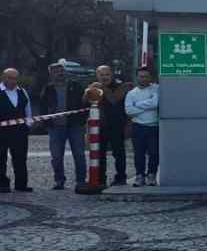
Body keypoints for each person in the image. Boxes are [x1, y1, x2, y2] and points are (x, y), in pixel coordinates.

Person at [40, 59, 88, 190]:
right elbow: (43, 107)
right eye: (56, 71)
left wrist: (82, 121)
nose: (59, 73)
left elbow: (85, 103)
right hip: (55, 128)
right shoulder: (48, 89)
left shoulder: (76, 86)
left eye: (61, 70)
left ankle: (81, 180)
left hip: (75, 126)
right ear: (51, 73)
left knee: (79, 154)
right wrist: (47, 123)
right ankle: (59, 180)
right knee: (56, 156)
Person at [88, 65, 131, 186]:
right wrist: (89, 92)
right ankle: (101, 178)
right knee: (99, 154)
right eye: (101, 75)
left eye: (107, 74)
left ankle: (121, 178)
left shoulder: (121, 87)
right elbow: (85, 102)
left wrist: (102, 88)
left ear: (112, 75)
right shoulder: (93, 87)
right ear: (97, 75)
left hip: (117, 125)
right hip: (99, 126)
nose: (104, 77)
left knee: (118, 153)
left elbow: (113, 99)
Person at [125, 67, 160, 186]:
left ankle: (152, 175)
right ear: (137, 77)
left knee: (154, 153)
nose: (144, 78)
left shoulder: (156, 88)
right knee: (139, 154)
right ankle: (139, 176)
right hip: (138, 127)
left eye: (146, 76)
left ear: (150, 77)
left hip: (154, 127)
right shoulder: (131, 93)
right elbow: (129, 111)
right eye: (141, 76)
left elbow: (156, 103)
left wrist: (138, 105)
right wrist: (148, 106)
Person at [0, 68, 33, 193]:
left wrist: (28, 124)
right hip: (1, 132)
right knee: (0, 158)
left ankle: (21, 184)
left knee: (20, 158)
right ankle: (2, 184)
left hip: (20, 131)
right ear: (3, 78)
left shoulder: (22, 91)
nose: (13, 81)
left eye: (15, 78)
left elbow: (28, 109)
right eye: (10, 78)